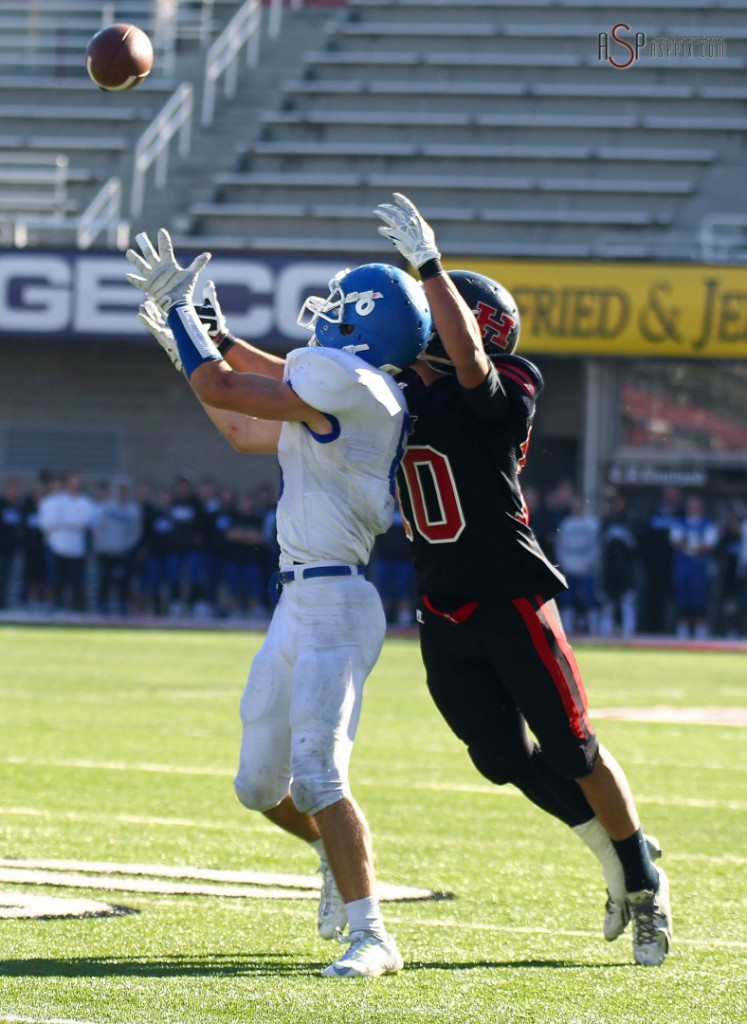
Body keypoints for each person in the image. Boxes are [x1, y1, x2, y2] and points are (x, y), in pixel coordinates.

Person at [373, 193, 672, 966]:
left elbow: (471, 367)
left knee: (571, 748)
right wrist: (209, 339)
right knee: (501, 760)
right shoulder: (396, 391)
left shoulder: (509, 379)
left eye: (436, 315)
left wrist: (429, 265)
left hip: (509, 594)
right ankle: (613, 852)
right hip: (439, 601)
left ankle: (641, 876)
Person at [127, 229, 432, 978]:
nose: (324, 313)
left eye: (341, 306)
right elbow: (238, 424)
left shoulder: (361, 389)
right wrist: (203, 335)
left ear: (364, 323)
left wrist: (184, 322)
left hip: (336, 601)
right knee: (258, 787)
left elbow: (226, 387)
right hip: (295, 603)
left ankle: (375, 936)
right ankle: (336, 855)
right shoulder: (339, 395)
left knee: (317, 774)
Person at [38, 471, 97, 613]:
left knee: (77, 581)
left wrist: (67, 523)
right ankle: (58, 607)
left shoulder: (86, 502)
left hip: (77, 549)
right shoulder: (56, 501)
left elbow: (85, 521)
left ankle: (77, 608)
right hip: (58, 547)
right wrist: (68, 523)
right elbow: (48, 523)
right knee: (58, 580)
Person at [670, 493, 719, 639]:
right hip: (683, 565)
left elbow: (708, 545)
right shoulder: (679, 522)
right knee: (682, 595)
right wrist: (695, 547)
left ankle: (700, 627)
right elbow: (676, 542)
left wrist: (690, 547)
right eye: (690, 504)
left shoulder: (708, 523)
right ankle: (682, 628)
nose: (693, 507)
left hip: (699, 566)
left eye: (696, 503)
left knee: (699, 595)